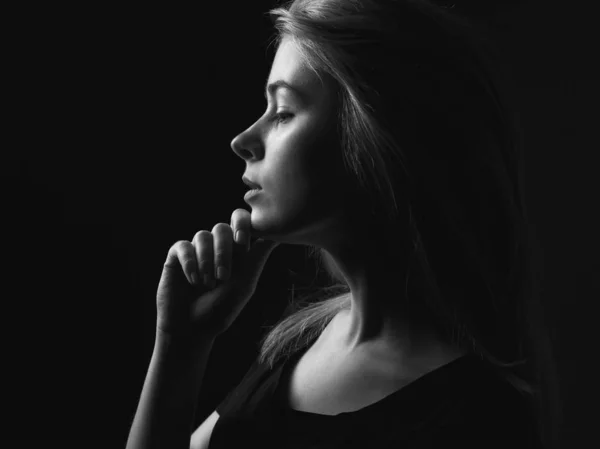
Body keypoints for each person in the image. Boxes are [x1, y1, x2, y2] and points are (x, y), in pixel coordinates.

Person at [126, 1, 561, 448]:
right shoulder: (302, 344)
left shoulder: (475, 418)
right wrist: (180, 344)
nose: (243, 141)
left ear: (377, 135)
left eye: (283, 112)